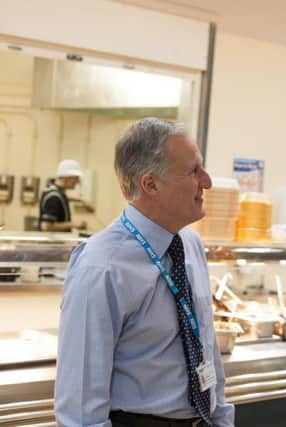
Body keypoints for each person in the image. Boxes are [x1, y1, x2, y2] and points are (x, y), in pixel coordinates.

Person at [55, 118, 234, 426]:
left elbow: (204, 343)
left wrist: (220, 419)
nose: (207, 182)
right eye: (193, 171)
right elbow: (81, 411)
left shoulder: (189, 244)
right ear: (150, 184)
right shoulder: (102, 267)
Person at [39, 159, 93, 232]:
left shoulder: (54, 190)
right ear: (67, 177)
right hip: (54, 242)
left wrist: (82, 200)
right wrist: (74, 224)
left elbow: (62, 197)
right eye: (76, 178)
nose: (78, 182)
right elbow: (46, 226)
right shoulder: (54, 197)